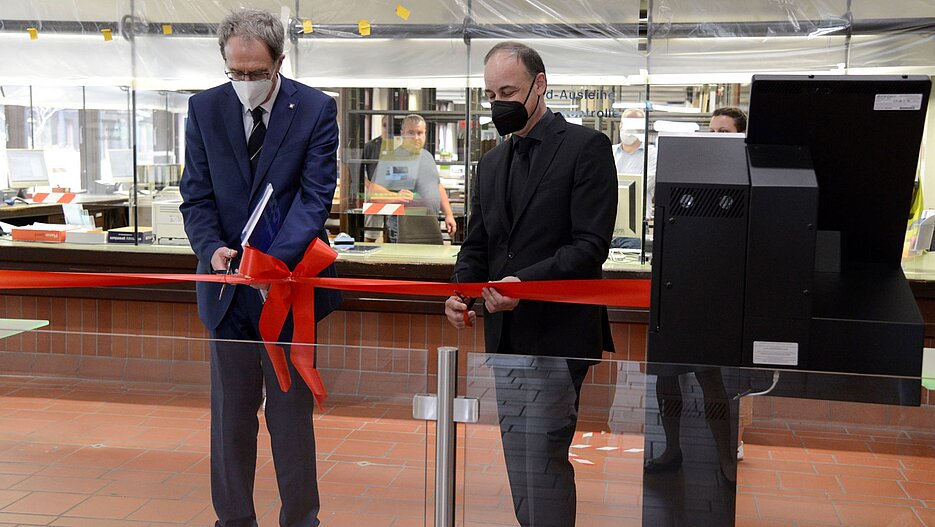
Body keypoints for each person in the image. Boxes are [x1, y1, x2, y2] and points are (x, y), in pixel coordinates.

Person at [179, 9, 341, 527]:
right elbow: (196, 195)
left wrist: (271, 264)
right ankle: (234, 521)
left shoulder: (315, 109)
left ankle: (301, 519)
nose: (245, 83)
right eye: (236, 72)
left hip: (288, 288)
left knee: (290, 417)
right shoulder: (205, 109)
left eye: (256, 73)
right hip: (225, 290)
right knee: (230, 421)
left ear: (279, 61)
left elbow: (315, 199)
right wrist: (211, 247)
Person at [445, 41, 616, 527]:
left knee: (542, 454)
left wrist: (525, 283)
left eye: (509, 91)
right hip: (505, 335)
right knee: (518, 453)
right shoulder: (492, 163)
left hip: (557, 331)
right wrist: (461, 292)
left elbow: (589, 245)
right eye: (491, 93)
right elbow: (478, 245)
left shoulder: (585, 147)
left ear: (540, 85)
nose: (499, 103)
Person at [365, 114, 456, 242]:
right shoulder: (394, 159)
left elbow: (437, 186)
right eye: (411, 133)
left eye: (419, 133)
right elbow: (374, 192)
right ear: (402, 134)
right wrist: (396, 197)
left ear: (425, 133)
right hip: (405, 228)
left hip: (430, 224)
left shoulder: (427, 156)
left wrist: (449, 214)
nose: (416, 137)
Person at [611, 108, 657, 249]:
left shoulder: (652, 155)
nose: (628, 130)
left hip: (635, 229)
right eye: (625, 125)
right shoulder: (609, 151)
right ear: (620, 126)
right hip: (606, 225)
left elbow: (640, 186)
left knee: (628, 269)